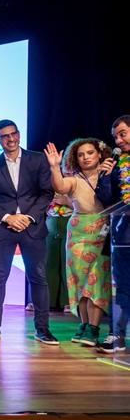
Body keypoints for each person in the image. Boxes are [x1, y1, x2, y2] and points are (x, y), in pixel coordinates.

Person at [0, 119, 58, 344]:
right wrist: (7, 218)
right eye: (5, 136)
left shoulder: (38, 159)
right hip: (3, 228)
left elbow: (46, 193)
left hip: (32, 227)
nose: (11, 139)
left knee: (39, 277)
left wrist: (28, 217)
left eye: (13, 134)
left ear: (19, 134)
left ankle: (42, 329)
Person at [45, 139, 112, 347]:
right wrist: (55, 167)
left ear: (99, 154)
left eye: (90, 152)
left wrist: (108, 174)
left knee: (97, 280)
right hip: (77, 231)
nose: (86, 157)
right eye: (81, 154)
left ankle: (94, 328)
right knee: (80, 280)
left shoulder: (110, 173)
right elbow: (60, 186)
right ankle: (83, 325)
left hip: (102, 230)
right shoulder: (74, 179)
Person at [95, 115, 130, 353]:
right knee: (123, 287)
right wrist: (105, 176)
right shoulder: (116, 165)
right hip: (123, 234)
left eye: (123, 133)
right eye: (115, 136)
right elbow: (107, 199)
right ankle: (116, 335)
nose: (118, 140)